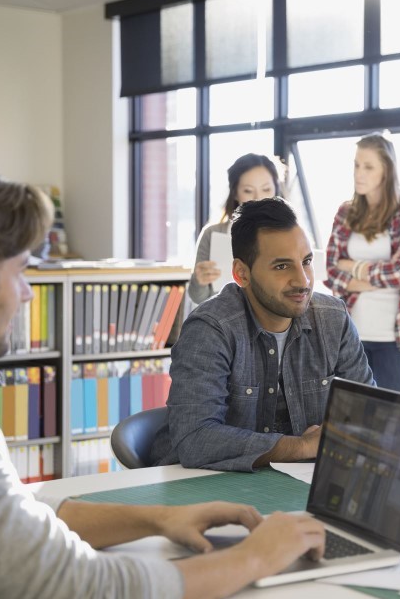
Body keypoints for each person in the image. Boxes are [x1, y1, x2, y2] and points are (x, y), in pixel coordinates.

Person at [0, 162, 325, 599]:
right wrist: (258, 558)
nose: (27, 293)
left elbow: (8, 516)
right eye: (18, 271)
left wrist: (156, 518)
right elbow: (81, 588)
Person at [152, 197, 375, 471]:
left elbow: (368, 415)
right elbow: (196, 439)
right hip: (206, 489)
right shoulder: (210, 329)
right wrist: (302, 447)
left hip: (298, 484)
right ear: (241, 274)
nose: (302, 280)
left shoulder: (333, 319)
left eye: (305, 261)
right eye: (282, 266)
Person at [324, 133, 400, 394]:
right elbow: (332, 270)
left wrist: (355, 269)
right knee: (350, 425)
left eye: (368, 166)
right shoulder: (345, 212)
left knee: (397, 427)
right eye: (357, 165)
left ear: (386, 171)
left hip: (396, 341)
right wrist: (375, 275)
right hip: (351, 338)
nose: (359, 173)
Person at [188, 153, 281, 305]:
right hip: (224, 320)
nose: (258, 198)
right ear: (235, 193)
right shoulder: (212, 234)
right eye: (248, 191)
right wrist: (200, 280)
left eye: (266, 189)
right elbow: (198, 298)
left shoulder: (290, 234)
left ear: (275, 190)